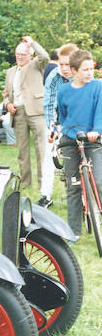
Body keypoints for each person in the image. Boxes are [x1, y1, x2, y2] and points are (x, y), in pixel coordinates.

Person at [57, 50, 102, 237]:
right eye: (85, 70)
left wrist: (97, 131)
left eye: (91, 69)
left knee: (99, 182)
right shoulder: (63, 90)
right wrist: (66, 132)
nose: (89, 73)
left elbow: (100, 112)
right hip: (70, 139)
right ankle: (73, 231)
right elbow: (63, 115)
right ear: (74, 70)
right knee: (73, 186)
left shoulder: (98, 87)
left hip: (92, 139)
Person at [3, 36, 49, 188]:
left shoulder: (37, 65)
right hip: (18, 112)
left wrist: (32, 43)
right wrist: (8, 104)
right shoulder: (10, 71)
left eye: (23, 54)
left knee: (41, 150)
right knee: (23, 151)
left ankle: (43, 184)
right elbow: (5, 94)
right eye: (18, 54)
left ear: (30, 55)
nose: (20, 57)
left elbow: (45, 56)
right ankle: (25, 183)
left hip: (36, 111)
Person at [38, 43, 79, 208]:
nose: (64, 68)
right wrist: (52, 127)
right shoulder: (54, 76)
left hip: (82, 122)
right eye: (61, 64)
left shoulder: (84, 75)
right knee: (48, 157)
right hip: (60, 122)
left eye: (68, 64)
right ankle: (45, 196)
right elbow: (48, 104)